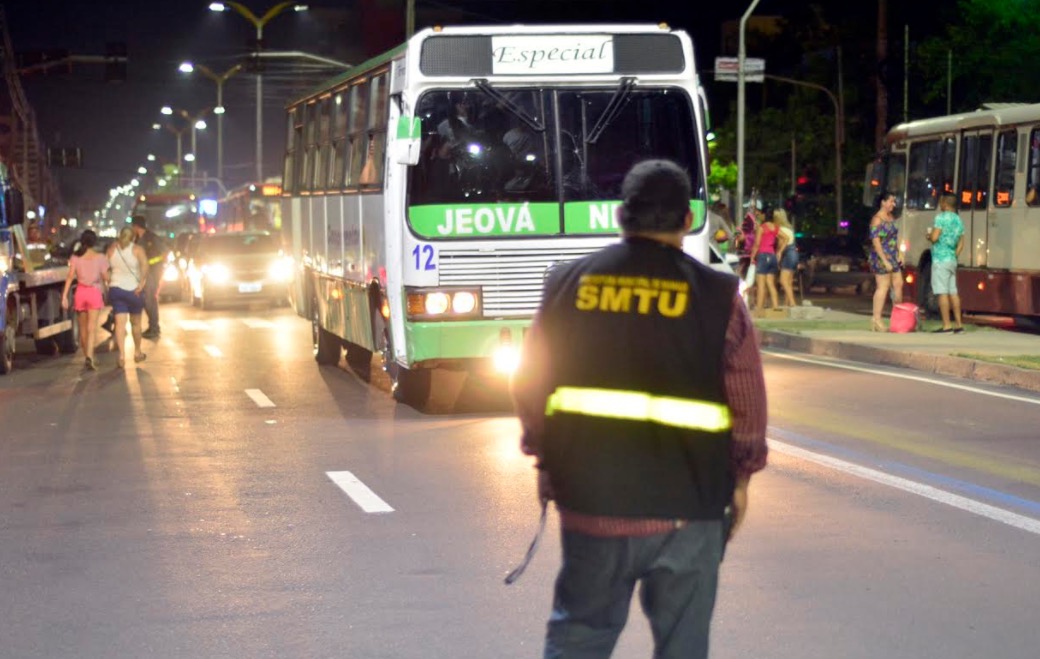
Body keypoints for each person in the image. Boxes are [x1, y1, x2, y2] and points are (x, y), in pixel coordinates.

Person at [511, 159, 768, 659]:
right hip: (690, 509)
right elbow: (747, 402)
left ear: (621, 216)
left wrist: (545, 460)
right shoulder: (719, 297)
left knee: (579, 637)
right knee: (683, 648)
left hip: (592, 503)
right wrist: (740, 480)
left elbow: (530, 383)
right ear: (689, 221)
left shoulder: (567, 285)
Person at [60, 229, 109, 370]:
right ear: (94, 242)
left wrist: (64, 296)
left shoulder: (75, 258)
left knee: (82, 328)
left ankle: (87, 355)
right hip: (94, 292)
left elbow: (70, 277)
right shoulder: (100, 257)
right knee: (91, 327)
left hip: (80, 292)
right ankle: (90, 356)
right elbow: (106, 278)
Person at [106, 226, 149, 367]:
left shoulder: (111, 249)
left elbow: (104, 269)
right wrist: (141, 284)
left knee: (119, 324)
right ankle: (137, 352)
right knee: (136, 323)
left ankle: (122, 356)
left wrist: (109, 281)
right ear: (133, 237)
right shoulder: (137, 250)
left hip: (116, 289)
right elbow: (145, 267)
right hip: (134, 291)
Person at [926, 194, 965, 333]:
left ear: (945, 204)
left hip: (940, 259)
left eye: (941, 201)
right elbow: (961, 242)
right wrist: (954, 254)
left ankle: (947, 325)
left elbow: (935, 237)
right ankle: (959, 324)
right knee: (953, 292)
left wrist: (929, 236)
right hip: (952, 260)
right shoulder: (958, 220)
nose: (939, 204)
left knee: (942, 292)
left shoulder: (940, 218)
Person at [869, 192, 904, 331]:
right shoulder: (877, 219)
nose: (893, 204)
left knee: (898, 284)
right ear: (883, 202)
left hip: (893, 256)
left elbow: (895, 238)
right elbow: (876, 241)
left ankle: (897, 319)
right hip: (881, 257)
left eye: (894, 201)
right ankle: (876, 319)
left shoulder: (891, 217)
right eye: (890, 201)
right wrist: (884, 260)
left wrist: (900, 253)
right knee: (882, 287)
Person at [131, 215, 169, 339]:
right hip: (141, 273)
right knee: (144, 300)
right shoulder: (136, 239)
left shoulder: (151, 238)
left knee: (149, 300)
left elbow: (165, 252)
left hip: (152, 272)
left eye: (133, 226)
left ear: (136, 226)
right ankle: (152, 326)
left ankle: (154, 327)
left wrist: (153, 262)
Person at [750, 206, 780, 312]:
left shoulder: (762, 227)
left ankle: (759, 308)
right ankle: (776, 306)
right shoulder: (775, 227)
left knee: (761, 284)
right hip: (772, 256)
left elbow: (757, 244)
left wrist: (752, 256)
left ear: (764, 215)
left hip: (763, 256)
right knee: (771, 283)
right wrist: (779, 251)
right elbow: (785, 237)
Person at [774, 208, 799, 307]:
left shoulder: (780, 230)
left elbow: (781, 243)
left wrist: (778, 252)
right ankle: (787, 303)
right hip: (794, 253)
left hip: (788, 254)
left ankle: (792, 303)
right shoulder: (789, 229)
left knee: (783, 280)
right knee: (789, 281)